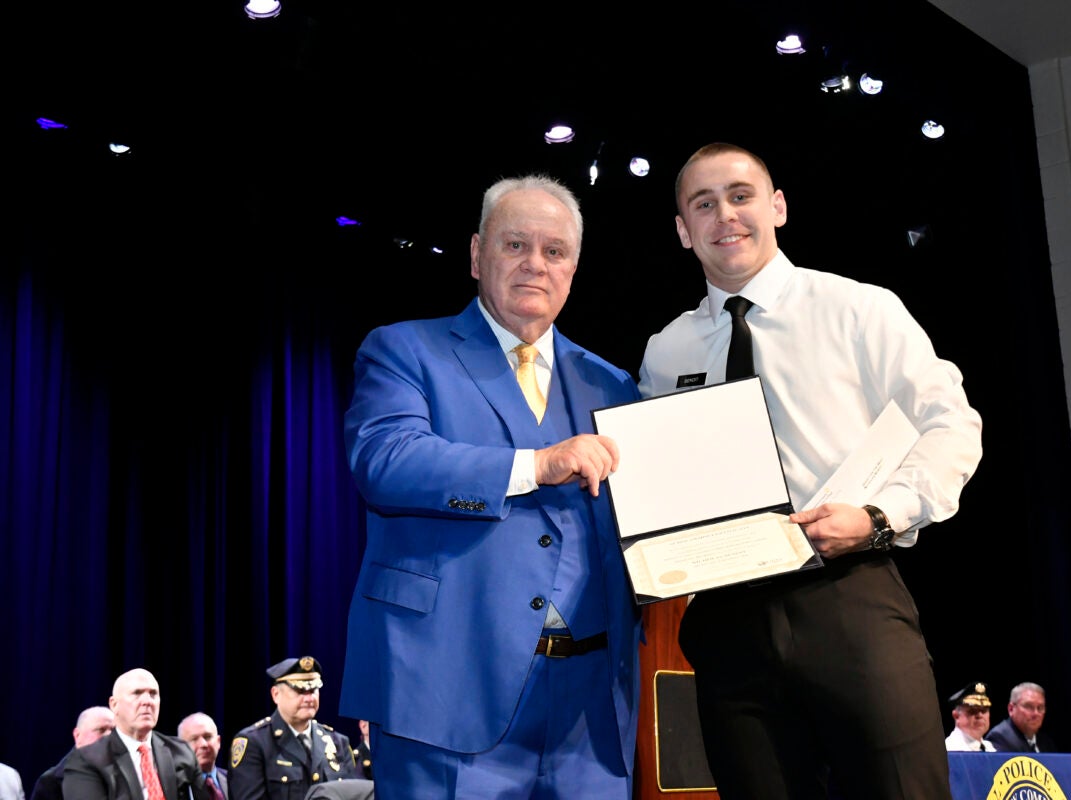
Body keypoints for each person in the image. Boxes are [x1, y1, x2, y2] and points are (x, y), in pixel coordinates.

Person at [638, 142, 983, 798]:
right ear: (683, 230)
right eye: (703, 204)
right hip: (725, 619)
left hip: (849, 597)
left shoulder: (859, 309)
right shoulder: (667, 349)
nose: (724, 215)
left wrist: (879, 516)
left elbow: (951, 425)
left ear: (778, 207)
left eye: (740, 196)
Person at [340, 174, 643, 799]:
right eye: (515, 245)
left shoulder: (613, 384)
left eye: (554, 251)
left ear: (574, 268)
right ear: (477, 255)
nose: (536, 263)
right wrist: (536, 464)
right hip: (445, 689)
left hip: (590, 712)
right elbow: (386, 461)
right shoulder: (404, 350)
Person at [62, 668, 209, 800]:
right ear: (114, 705)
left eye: (153, 694)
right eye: (137, 693)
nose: (147, 701)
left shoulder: (181, 752)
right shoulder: (85, 760)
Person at [228, 657, 355, 800]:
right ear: (276, 694)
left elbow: (353, 794)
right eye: (300, 691)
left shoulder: (338, 742)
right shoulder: (254, 743)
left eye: (313, 690)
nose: (309, 699)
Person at [29, 705, 116, 800]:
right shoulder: (50, 784)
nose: (109, 735)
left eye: (114, 730)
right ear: (77, 735)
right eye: (101, 730)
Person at [986, 682, 1056, 753]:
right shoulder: (1000, 738)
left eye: (1040, 708)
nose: (1036, 713)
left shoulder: (1046, 742)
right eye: (1029, 706)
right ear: (1011, 709)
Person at [178, 712, 228, 799]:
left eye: (207, 737)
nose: (203, 744)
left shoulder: (233, 780)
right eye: (194, 739)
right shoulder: (175, 786)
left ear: (218, 742)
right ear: (181, 747)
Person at [945, 682, 997, 752]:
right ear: (956, 716)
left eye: (984, 711)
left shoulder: (989, 747)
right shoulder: (950, 749)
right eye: (973, 711)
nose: (980, 715)